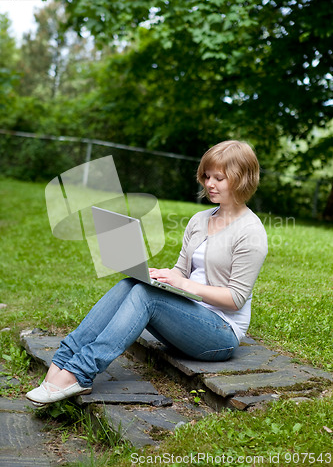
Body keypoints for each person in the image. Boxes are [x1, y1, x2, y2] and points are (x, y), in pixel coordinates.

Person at [26, 140, 268, 406]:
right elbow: (182, 271)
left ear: (242, 178)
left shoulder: (251, 231)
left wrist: (184, 285)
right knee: (132, 283)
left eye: (219, 178)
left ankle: (79, 373)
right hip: (190, 313)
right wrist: (163, 276)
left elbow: (235, 299)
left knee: (145, 296)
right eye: (207, 176)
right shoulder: (200, 220)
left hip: (221, 332)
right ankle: (62, 361)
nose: (209, 184)